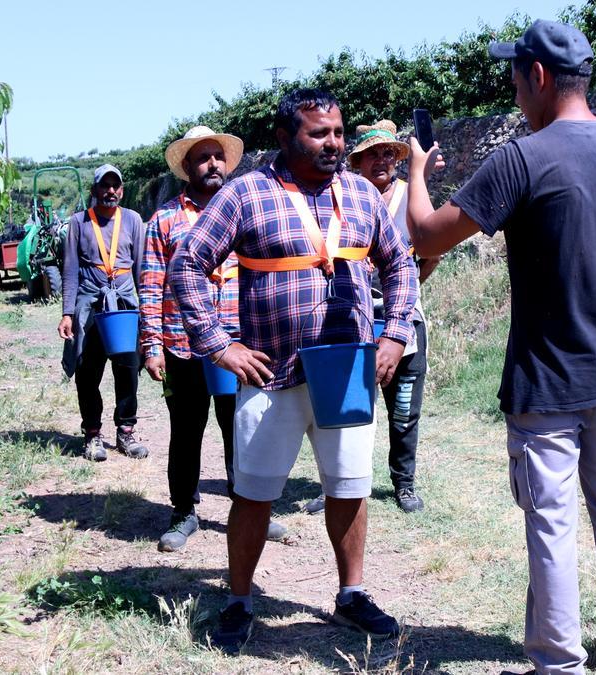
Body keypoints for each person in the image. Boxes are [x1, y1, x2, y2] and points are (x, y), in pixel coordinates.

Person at [404, 20, 596, 675]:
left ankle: (558, 662)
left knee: (551, 522)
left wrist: (416, 171)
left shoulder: (522, 159)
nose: (514, 90)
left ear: (540, 77)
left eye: (515, 75)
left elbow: (428, 236)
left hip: (546, 385)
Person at [169, 88, 418, 654]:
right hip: (269, 372)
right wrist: (217, 345)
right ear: (285, 138)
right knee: (254, 495)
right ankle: (239, 601)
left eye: (338, 132)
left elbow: (399, 263)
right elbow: (187, 265)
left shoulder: (360, 194)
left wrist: (396, 332)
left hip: (348, 372)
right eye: (319, 134)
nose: (334, 143)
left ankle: (351, 594)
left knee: (349, 488)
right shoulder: (246, 195)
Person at [140, 126, 287, 552]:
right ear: (187, 168)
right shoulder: (163, 220)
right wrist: (152, 345)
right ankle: (184, 512)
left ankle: (253, 510)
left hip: (237, 344)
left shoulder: (244, 212)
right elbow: (150, 288)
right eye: (202, 158)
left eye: (218, 157)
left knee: (243, 429)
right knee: (185, 430)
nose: (212, 165)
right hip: (181, 345)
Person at [302, 120, 442, 515]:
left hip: (402, 320)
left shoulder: (410, 194)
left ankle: (404, 483)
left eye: (388, 153)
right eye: (371, 155)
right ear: (358, 162)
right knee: (344, 410)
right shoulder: (342, 199)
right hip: (351, 319)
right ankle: (336, 484)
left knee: (402, 409)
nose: (381, 160)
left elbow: (431, 253)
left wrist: (405, 289)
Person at [59, 164, 151, 462]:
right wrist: (67, 313)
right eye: (104, 186)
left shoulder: (134, 220)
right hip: (89, 306)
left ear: (122, 190)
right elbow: (70, 270)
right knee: (87, 372)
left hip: (124, 306)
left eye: (115, 186)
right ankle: (93, 434)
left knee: (128, 368)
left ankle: (125, 431)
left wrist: (147, 312)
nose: (110, 191)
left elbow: (141, 269)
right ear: (94, 190)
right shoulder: (78, 222)